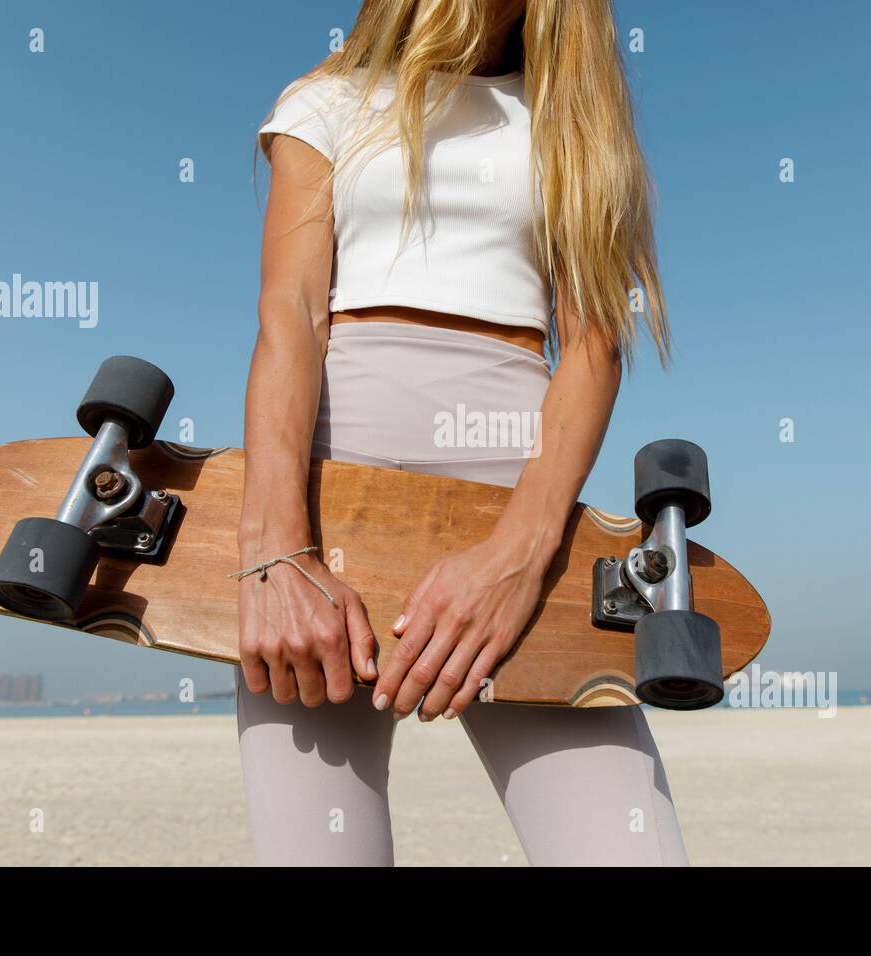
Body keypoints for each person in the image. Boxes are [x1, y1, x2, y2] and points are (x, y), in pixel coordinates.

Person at [236, 0, 687, 865]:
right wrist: (275, 551)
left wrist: (522, 551)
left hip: (517, 508)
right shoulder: (324, 101)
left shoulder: (568, 119)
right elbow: (288, 316)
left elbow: (594, 342)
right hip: (325, 516)